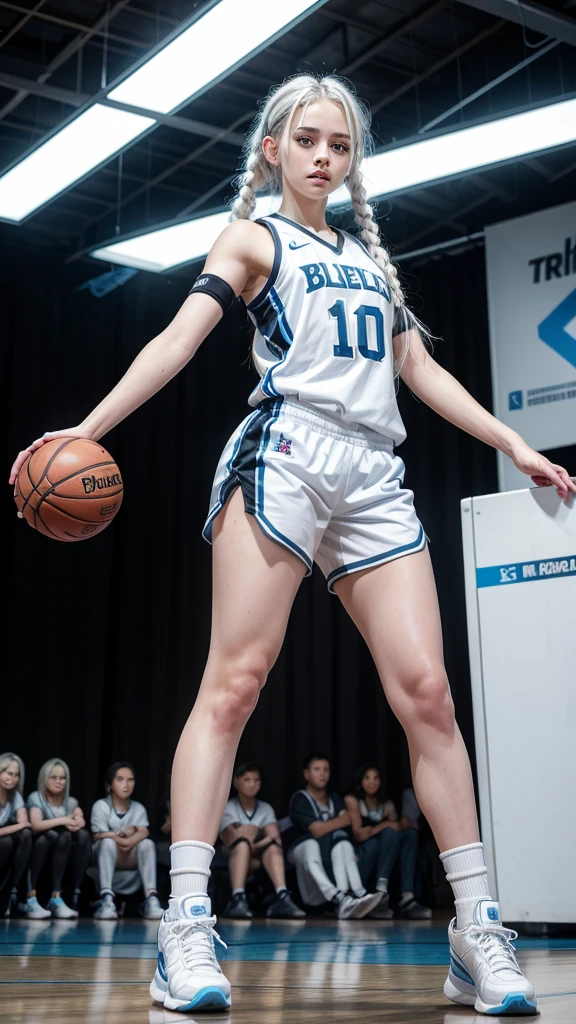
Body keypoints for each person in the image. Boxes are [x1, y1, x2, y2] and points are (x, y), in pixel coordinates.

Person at [10, 72, 574, 1015]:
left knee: (429, 694)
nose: (324, 156)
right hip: (287, 454)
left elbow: (417, 367)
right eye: (308, 139)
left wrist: (513, 441)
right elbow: (179, 341)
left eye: (340, 145)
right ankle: (184, 922)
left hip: (373, 473)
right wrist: (88, 430)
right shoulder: (252, 237)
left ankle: (477, 929)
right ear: (273, 149)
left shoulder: (367, 258)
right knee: (233, 685)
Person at [288, 753, 382, 919]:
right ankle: (338, 897)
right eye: (317, 769)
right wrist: (340, 820)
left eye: (326, 769)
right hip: (303, 858)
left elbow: (348, 821)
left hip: (329, 857)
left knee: (343, 844)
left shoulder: (333, 798)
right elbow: (317, 831)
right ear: (306, 774)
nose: (322, 773)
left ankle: (355, 894)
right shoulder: (300, 799)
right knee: (312, 845)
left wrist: (331, 825)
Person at [345, 763, 431, 920]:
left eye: (376, 778)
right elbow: (359, 835)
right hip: (363, 857)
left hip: (384, 857)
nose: (372, 782)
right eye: (367, 778)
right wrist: (385, 825)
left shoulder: (386, 803)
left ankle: (407, 896)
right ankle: (381, 891)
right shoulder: (353, 801)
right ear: (360, 781)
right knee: (387, 834)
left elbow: (396, 828)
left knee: (409, 835)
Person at [219, 762, 303, 920]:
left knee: (271, 847)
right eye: (247, 780)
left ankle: (282, 896)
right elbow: (231, 839)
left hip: (258, 856)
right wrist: (259, 834)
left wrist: (251, 835)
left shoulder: (265, 808)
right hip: (232, 855)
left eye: (256, 780)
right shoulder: (228, 807)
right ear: (236, 782)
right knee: (242, 845)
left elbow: (275, 838)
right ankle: (237, 899)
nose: (252, 784)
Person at [90, 761, 163, 921]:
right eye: (120, 779)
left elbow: (144, 832)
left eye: (130, 780)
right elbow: (99, 836)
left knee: (147, 844)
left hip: (129, 856)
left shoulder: (138, 808)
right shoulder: (101, 806)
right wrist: (127, 835)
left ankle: (151, 898)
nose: (126, 784)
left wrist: (117, 837)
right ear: (109, 784)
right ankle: (106, 899)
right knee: (107, 843)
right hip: (106, 855)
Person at [26, 758, 91, 918]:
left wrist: (77, 819)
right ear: (44, 778)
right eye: (53, 777)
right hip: (39, 849)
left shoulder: (71, 801)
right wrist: (64, 820)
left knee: (77, 836)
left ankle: (59, 896)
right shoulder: (36, 798)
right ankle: (30, 897)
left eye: (62, 778)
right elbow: (36, 825)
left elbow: (78, 821)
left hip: (62, 851)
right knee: (45, 838)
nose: (58, 781)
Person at [0, 753, 32, 917]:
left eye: (16, 775)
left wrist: (20, 823)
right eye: (7, 773)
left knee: (25, 835)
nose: (11, 778)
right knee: (6, 842)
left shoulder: (14, 795)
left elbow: (24, 823)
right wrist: (19, 825)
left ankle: (11, 889)